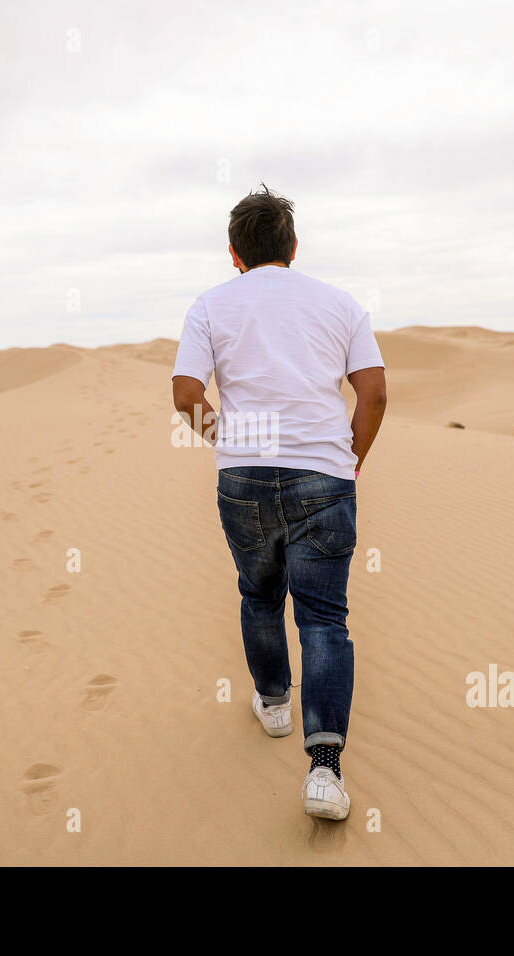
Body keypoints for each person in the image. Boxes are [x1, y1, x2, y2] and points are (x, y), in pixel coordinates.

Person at [171, 184, 388, 820]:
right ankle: (325, 771)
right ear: (293, 247)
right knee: (324, 618)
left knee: (258, 595)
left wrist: (228, 443)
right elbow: (372, 394)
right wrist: (347, 461)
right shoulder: (340, 303)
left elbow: (186, 392)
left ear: (234, 252)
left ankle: (273, 703)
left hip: (244, 476)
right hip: (323, 473)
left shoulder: (210, 305)